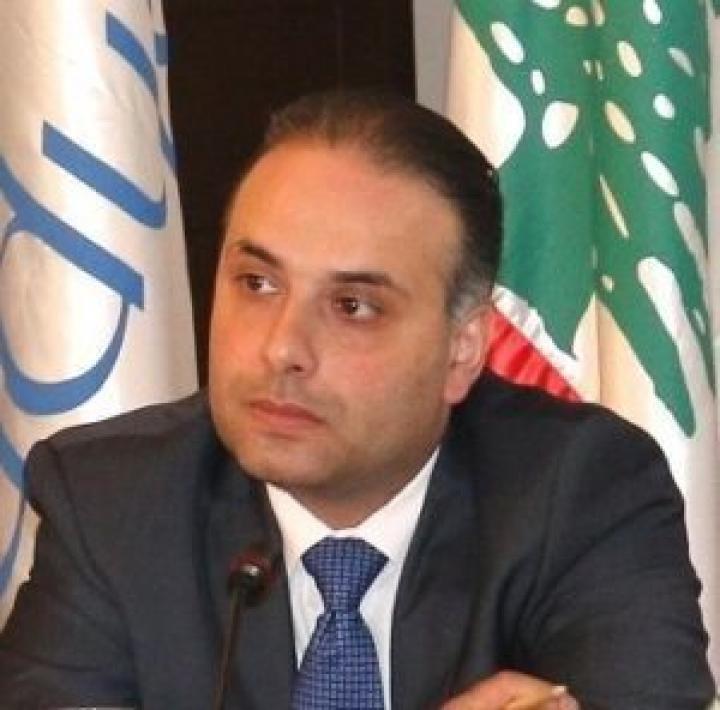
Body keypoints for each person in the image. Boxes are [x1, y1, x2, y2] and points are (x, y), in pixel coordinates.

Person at [0, 90, 714, 710]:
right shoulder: (114, 502)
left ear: (462, 350)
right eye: (257, 283)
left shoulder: (584, 491)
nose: (282, 348)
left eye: (352, 306)